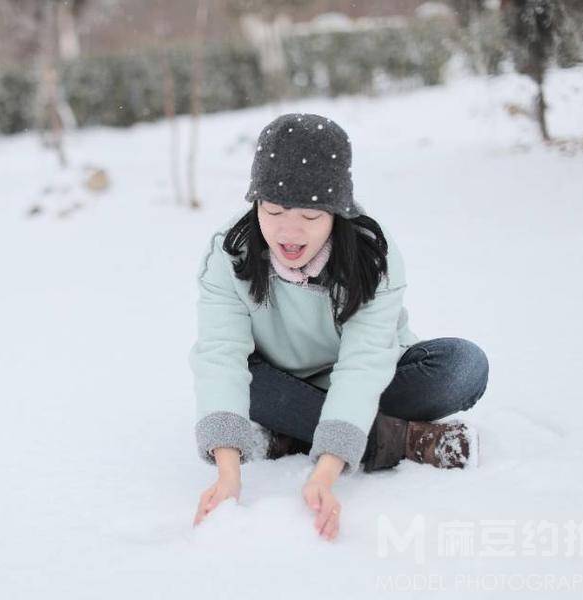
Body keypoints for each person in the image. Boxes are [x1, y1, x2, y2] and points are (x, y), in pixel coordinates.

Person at [189, 113, 489, 539]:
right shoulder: (229, 253)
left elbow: (365, 366)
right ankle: (400, 441)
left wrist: (324, 473)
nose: (288, 232)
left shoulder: (371, 256)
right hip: (277, 383)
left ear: (336, 212)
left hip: (368, 379)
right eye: (273, 211)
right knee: (246, 387)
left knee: (463, 367)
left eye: (310, 216)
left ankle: (293, 434)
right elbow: (221, 355)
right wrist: (228, 476)